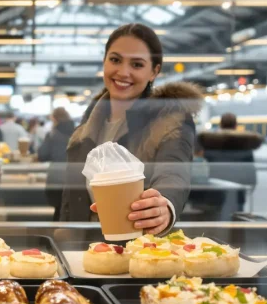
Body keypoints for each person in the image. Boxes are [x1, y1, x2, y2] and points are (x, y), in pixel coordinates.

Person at [59, 23, 203, 235]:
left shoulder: (170, 122)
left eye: (137, 64)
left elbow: (174, 172)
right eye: (115, 60)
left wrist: (164, 206)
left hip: (138, 248)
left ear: (154, 72)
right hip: (83, 247)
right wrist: (62, 234)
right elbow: (70, 197)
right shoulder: (88, 123)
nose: (123, 72)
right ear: (104, 61)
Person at [199, 112, 263, 212]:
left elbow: (202, 168)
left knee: (214, 216)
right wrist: (251, 185)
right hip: (238, 191)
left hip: (214, 190)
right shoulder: (246, 144)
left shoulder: (209, 143)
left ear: (220, 125)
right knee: (236, 217)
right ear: (236, 125)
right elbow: (250, 170)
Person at [37, 107, 75, 220]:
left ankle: (58, 229)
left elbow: (42, 155)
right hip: (75, 178)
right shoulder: (78, 132)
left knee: (58, 211)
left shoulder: (53, 135)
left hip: (56, 178)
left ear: (54, 119)